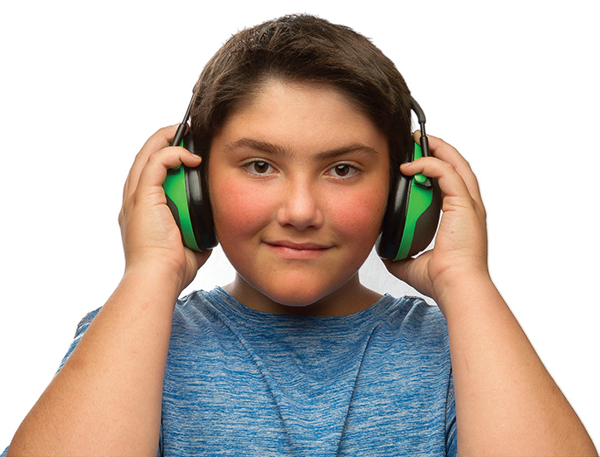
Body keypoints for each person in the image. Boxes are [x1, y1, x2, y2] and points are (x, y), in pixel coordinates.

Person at [3, 14, 597, 457]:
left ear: (402, 192)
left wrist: (465, 282)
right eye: (259, 165)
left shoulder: (463, 349)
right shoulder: (133, 332)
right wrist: (149, 271)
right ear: (195, 183)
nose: (301, 210)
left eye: (343, 169)